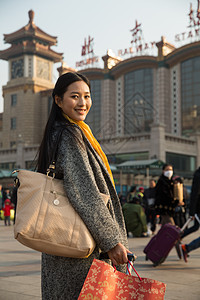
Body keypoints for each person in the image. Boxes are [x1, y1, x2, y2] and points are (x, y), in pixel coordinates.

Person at [36, 72, 131, 300]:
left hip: (67, 245)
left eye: (87, 96)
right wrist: (111, 241)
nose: (83, 103)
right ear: (58, 100)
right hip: (80, 250)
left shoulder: (65, 132)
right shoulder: (69, 135)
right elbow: (84, 192)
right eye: (75, 96)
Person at [181, 167, 200, 239]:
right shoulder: (198, 176)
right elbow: (194, 194)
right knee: (195, 227)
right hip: (198, 207)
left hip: (197, 207)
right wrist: (192, 211)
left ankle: (179, 237)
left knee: (195, 227)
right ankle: (187, 248)